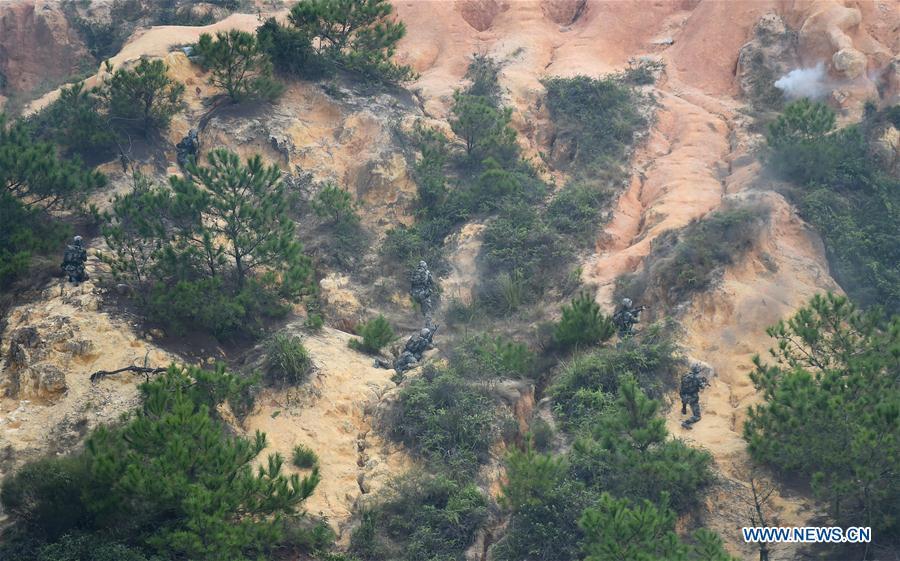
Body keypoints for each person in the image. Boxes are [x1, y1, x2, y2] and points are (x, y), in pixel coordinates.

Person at [680, 364, 710, 429]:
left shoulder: (685, 375)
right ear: (697, 370)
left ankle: (684, 409)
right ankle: (686, 423)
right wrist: (705, 383)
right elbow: (702, 387)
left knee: (685, 400)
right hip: (692, 397)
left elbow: (682, 386)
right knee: (697, 416)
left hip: (684, 396)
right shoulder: (697, 378)